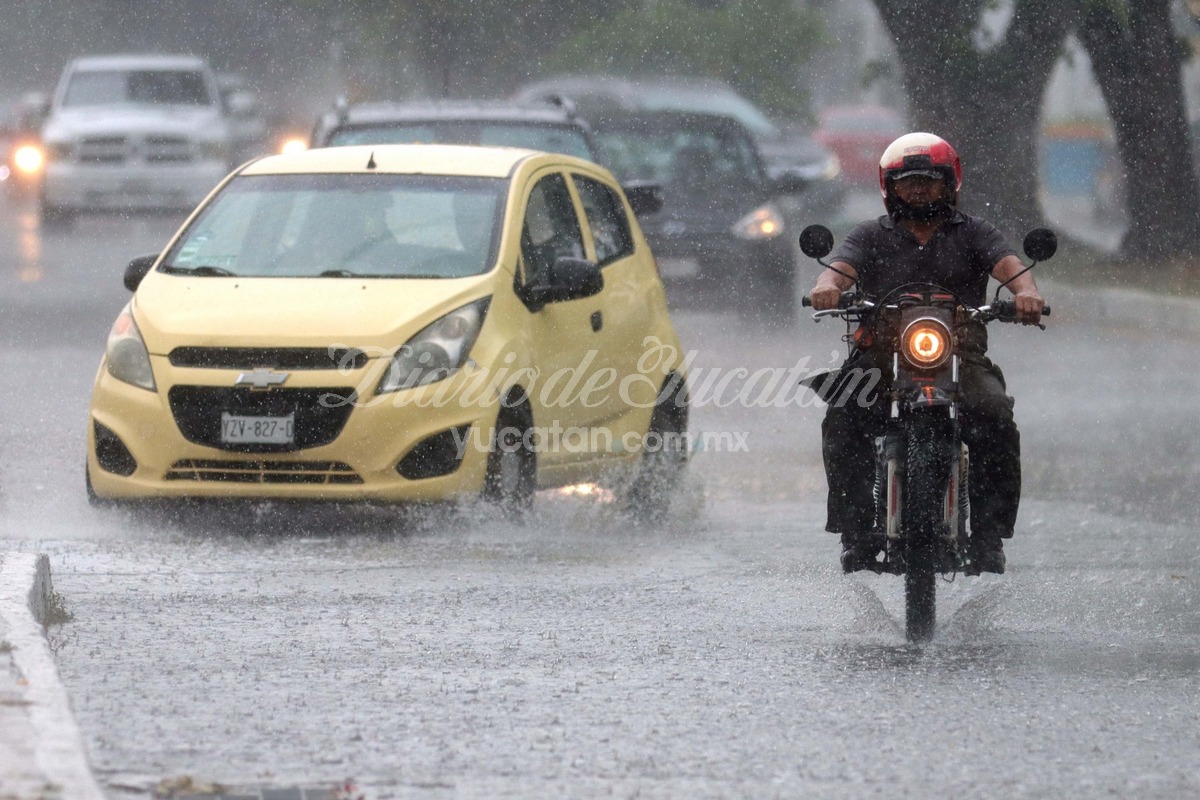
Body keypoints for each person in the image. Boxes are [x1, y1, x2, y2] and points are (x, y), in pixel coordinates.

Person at [808, 132, 1044, 575]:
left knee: (994, 412)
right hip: (881, 354)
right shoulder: (869, 235)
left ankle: (989, 536)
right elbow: (838, 271)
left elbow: (1011, 268)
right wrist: (826, 287)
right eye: (908, 181)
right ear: (890, 187)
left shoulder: (975, 232)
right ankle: (856, 532)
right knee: (842, 413)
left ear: (948, 183)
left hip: (960, 353)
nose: (918, 189)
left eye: (929, 180)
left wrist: (1027, 294)